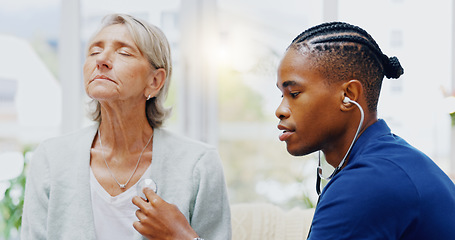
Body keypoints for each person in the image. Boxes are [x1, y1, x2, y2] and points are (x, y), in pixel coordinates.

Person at [21, 13, 231, 240]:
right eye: (93, 51)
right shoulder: (51, 158)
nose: (101, 60)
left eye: (124, 52)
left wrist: (180, 236)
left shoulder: (199, 165)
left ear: (155, 81)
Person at [275, 21, 455, 239]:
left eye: (294, 93)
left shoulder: (366, 183)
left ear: (349, 95)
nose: (280, 110)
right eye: (281, 96)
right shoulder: (391, 160)